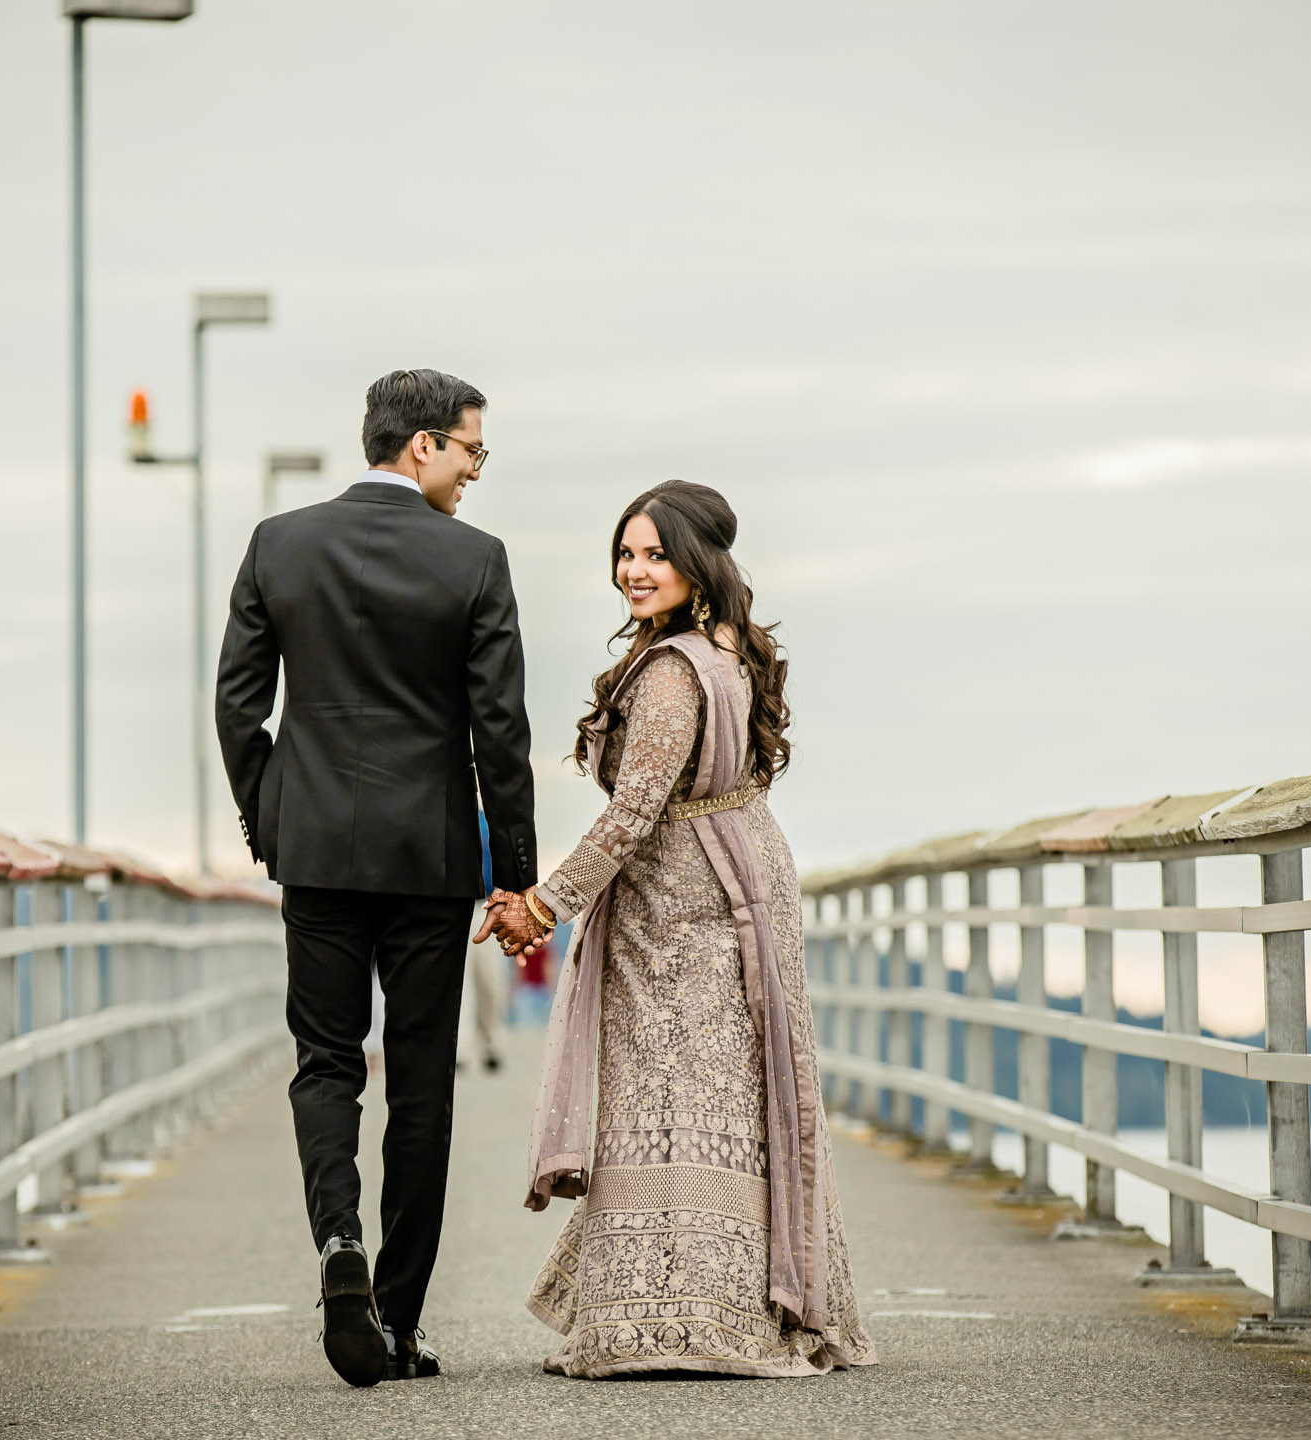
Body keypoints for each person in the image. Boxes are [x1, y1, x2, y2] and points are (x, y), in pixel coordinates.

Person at [479, 480, 875, 1379]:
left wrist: (542, 905)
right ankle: (743, 1303)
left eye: (655, 554)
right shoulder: (727, 650)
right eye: (626, 553)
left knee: (667, 1099)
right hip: (739, 880)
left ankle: (682, 1317)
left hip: (686, 909)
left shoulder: (669, 673)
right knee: (727, 1096)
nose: (634, 570)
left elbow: (633, 813)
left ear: (697, 567)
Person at [216, 368, 535, 1388]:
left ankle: (338, 1247)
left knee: (325, 1061)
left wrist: (274, 819)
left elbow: (237, 707)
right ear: (422, 447)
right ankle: (395, 1321)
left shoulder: (279, 544)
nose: (477, 470)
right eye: (473, 451)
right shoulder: (474, 561)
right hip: (431, 859)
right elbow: (501, 736)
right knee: (422, 1086)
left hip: (316, 852)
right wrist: (514, 878)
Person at [463, 813, 512, 1072]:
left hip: (488, 904)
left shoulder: (490, 818)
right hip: (455, 904)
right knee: (461, 979)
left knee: (490, 978)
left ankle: (493, 1040)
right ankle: (462, 1047)